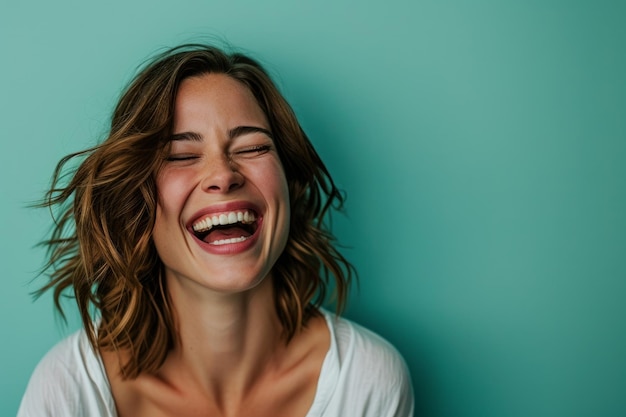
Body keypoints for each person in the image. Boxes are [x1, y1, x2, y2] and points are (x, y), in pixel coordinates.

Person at [18, 43, 414, 417]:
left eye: (252, 148)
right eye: (182, 155)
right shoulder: (68, 390)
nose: (223, 175)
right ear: (137, 204)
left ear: (289, 184)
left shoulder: (366, 379)